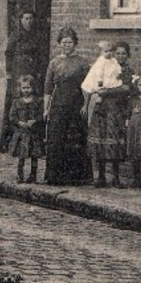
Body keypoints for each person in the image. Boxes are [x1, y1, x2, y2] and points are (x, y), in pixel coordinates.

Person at [43, 25, 90, 186]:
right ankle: (55, 176)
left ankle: (76, 177)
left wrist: (86, 105)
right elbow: (48, 88)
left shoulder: (82, 63)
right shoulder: (54, 63)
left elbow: (87, 87)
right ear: (59, 43)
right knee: (57, 138)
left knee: (75, 139)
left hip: (76, 102)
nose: (67, 45)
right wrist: (46, 108)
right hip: (58, 103)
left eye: (70, 42)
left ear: (75, 43)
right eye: (64, 42)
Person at [83, 41, 133, 188]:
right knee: (100, 141)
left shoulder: (126, 71)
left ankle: (116, 177)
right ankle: (101, 176)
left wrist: (108, 91)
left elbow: (126, 88)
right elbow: (93, 84)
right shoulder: (104, 65)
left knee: (114, 142)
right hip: (102, 108)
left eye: (124, 53)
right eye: (118, 53)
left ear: (128, 56)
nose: (120, 56)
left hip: (117, 109)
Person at [3, 9, 47, 144]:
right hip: (19, 69)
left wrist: (39, 71)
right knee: (17, 101)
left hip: (33, 70)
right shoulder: (15, 35)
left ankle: (34, 137)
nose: (29, 21)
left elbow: (42, 55)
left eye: (31, 18)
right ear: (21, 20)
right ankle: (12, 138)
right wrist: (9, 71)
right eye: (26, 18)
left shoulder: (38, 36)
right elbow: (8, 53)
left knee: (33, 100)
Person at [8, 74, 45, 183]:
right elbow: (12, 116)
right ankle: (20, 175)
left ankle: (33, 175)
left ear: (33, 88)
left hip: (33, 133)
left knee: (34, 155)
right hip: (22, 133)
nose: (26, 90)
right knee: (21, 156)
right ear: (20, 88)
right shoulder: (16, 102)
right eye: (23, 88)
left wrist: (34, 121)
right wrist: (19, 122)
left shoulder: (38, 101)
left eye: (28, 87)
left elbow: (41, 114)